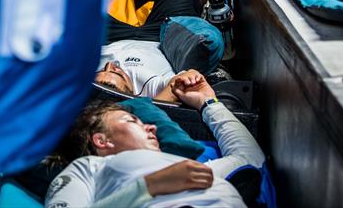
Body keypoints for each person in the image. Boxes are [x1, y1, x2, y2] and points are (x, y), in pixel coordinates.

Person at [45, 72, 266, 207]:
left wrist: (208, 102)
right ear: (102, 141)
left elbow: (250, 157)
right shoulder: (88, 169)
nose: (151, 126)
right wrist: (149, 187)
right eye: (132, 121)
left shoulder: (188, 170)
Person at [97, 0, 224, 101]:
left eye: (102, 70)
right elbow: (179, 86)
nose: (110, 65)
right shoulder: (150, 87)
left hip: (108, 37)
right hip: (161, 36)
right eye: (117, 72)